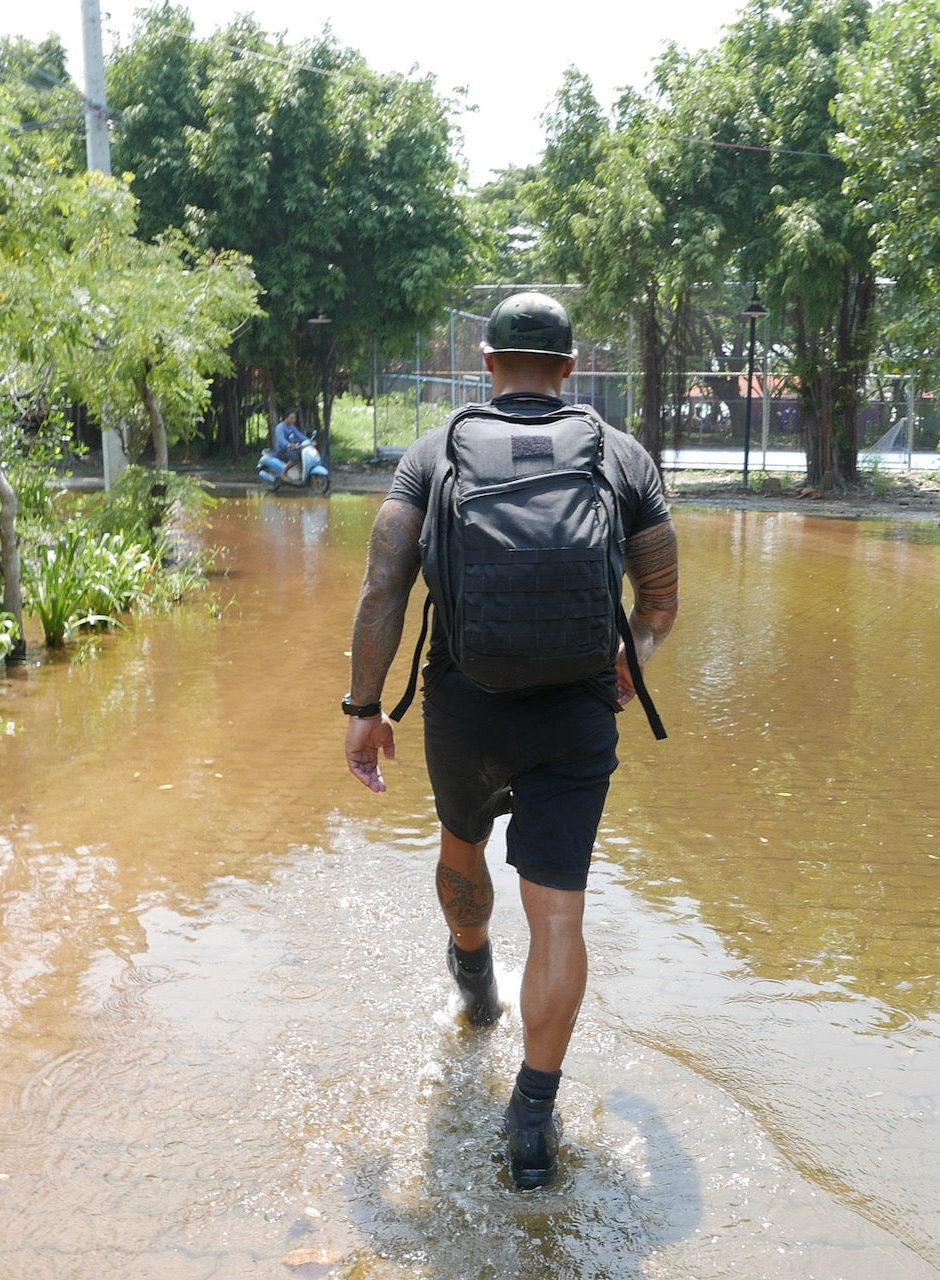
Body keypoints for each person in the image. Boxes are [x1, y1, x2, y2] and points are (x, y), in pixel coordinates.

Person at [342, 291, 679, 1191]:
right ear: (571, 369)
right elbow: (660, 603)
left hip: (465, 705)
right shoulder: (623, 457)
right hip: (575, 716)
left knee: (463, 848)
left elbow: (383, 592)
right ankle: (533, 1116)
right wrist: (626, 658)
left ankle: (475, 976)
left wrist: (363, 709)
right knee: (559, 913)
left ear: (486, 363)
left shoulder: (434, 452)